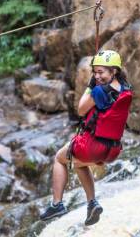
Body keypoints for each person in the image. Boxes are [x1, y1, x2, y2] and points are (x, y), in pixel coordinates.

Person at [39, 50, 133, 225]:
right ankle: (92, 203)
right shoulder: (125, 89)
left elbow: (81, 110)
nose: (97, 76)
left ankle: (57, 204)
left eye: (101, 72)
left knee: (60, 159)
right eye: (95, 72)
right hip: (112, 150)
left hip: (92, 146)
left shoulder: (99, 91)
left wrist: (90, 87)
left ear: (113, 71)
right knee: (78, 164)